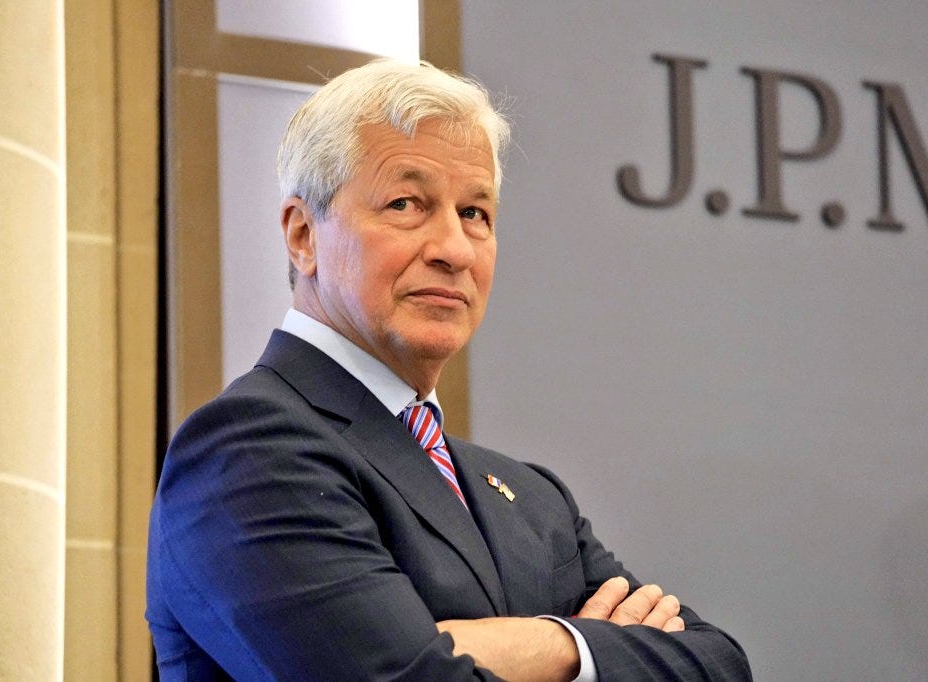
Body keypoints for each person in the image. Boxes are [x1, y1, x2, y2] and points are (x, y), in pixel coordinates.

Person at [146, 58, 751, 681]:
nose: (455, 250)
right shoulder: (249, 447)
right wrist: (598, 648)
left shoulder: (534, 501)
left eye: (474, 214)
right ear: (304, 235)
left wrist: (553, 643)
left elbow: (719, 665)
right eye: (407, 203)